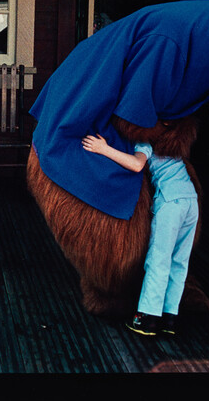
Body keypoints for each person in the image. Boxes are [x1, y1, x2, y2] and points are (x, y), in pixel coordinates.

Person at [82, 131, 198, 336]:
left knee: (158, 259)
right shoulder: (170, 139)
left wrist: (104, 149)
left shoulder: (147, 140)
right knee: (179, 261)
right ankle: (169, 316)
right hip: (190, 200)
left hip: (171, 202)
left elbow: (136, 164)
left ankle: (147, 317)